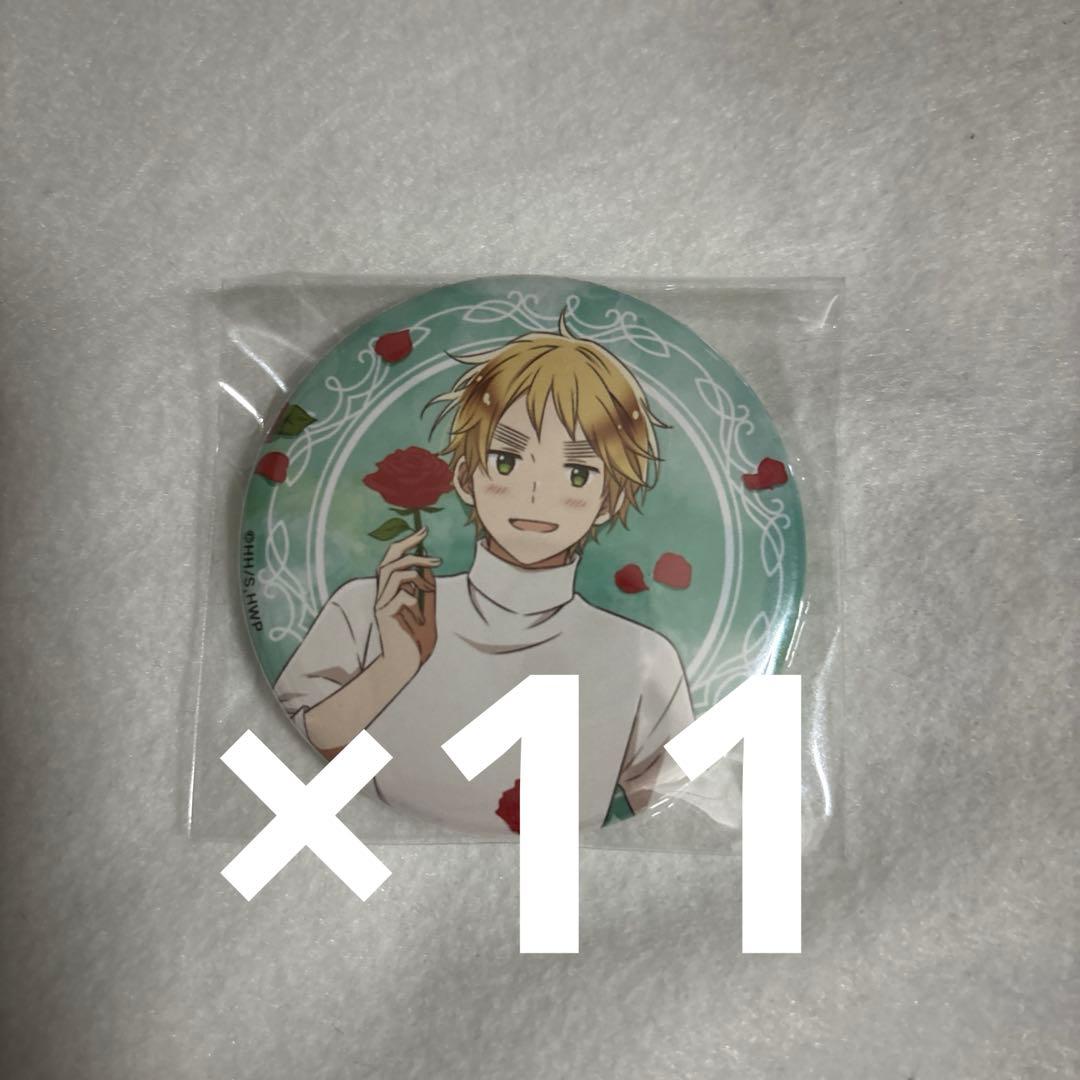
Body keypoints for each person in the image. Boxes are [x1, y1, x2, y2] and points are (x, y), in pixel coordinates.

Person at [273, 317, 695, 835]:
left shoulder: (642, 657)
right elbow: (295, 746)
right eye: (507, 461)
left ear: (608, 500)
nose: (536, 495)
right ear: (465, 476)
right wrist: (396, 665)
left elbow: (672, 789)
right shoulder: (373, 610)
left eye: (577, 472)